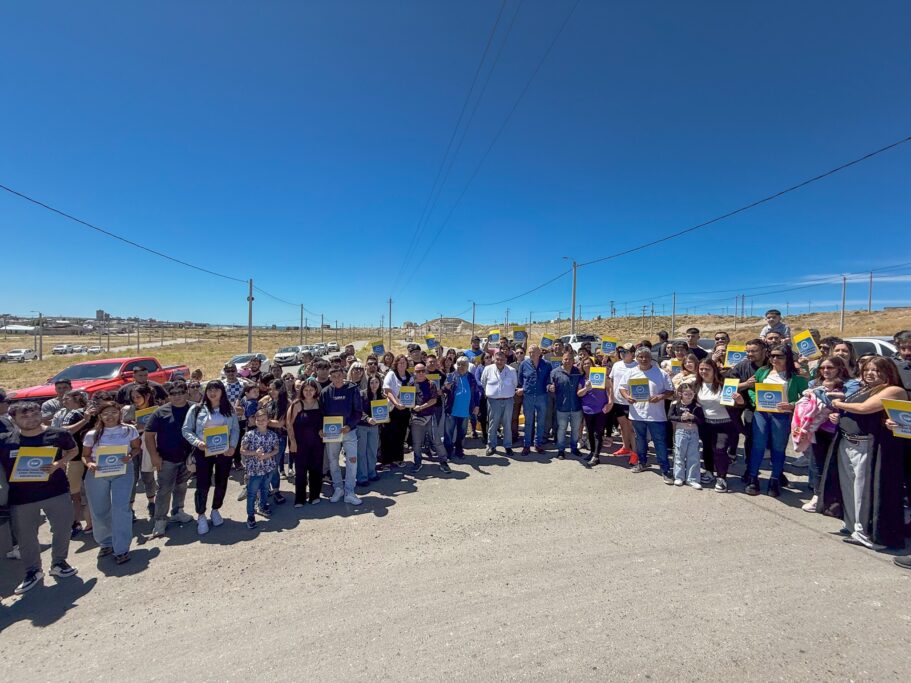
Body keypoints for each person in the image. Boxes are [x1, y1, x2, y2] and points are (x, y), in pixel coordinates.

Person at [819, 357, 908, 549]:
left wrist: (839, 405)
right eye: (867, 369)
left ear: (888, 371)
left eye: (875, 370)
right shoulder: (865, 388)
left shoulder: (893, 390)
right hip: (846, 442)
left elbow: (864, 408)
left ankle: (866, 531)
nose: (869, 373)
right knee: (848, 488)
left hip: (868, 445)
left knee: (862, 490)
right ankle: (853, 526)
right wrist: (839, 415)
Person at [0, 402, 79, 594]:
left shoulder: (58, 434)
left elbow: (73, 450)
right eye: (24, 416)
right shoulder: (4, 440)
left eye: (35, 414)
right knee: (26, 538)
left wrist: (59, 463)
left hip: (56, 491)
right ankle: (33, 571)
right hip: (21, 499)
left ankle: (59, 563)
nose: (31, 419)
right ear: (14, 419)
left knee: (62, 529)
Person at [82, 401, 141, 564]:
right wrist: (90, 464)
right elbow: (85, 455)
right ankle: (106, 542)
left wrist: (130, 456)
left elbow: (137, 448)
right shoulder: (92, 434)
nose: (110, 416)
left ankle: (121, 548)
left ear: (119, 413)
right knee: (99, 511)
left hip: (122, 471)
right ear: (100, 416)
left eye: (114, 412)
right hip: (98, 473)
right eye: (106, 413)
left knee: (121, 508)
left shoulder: (129, 430)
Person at [745, 344, 808, 497]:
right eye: (772, 355)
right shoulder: (763, 371)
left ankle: (775, 479)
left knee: (778, 448)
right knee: (758, 446)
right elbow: (752, 388)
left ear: (787, 358)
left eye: (779, 356)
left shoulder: (796, 376)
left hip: (782, 415)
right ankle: (753, 478)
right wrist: (755, 401)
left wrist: (792, 405)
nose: (774, 359)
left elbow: (806, 396)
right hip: (762, 414)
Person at [182, 380, 240, 535]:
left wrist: (233, 447)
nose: (212, 393)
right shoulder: (196, 409)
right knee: (203, 483)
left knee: (222, 481)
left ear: (222, 392)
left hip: (224, 451)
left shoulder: (229, 410)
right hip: (203, 451)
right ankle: (201, 515)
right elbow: (186, 430)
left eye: (216, 390)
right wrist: (197, 442)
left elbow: (235, 429)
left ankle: (215, 509)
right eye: (209, 390)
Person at [800, 356, 854, 513]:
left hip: (839, 432)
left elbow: (853, 403)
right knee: (817, 465)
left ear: (839, 368)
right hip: (817, 430)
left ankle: (837, 499)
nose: (825, 371)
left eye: (830, 368)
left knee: (838, 466)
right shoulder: (813, 384)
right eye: (822, 368)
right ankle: (818, 497)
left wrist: (839, 413)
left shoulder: (849, 385)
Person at [145, 382, 194, 538]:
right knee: (164, 490)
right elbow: (149, 435)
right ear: (169, 395)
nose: (177, 396)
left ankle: (178, 511)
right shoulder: (160, 412)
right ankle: (160, 519)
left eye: (180, 392)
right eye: (173, 393)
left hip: (188, 458)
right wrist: (154, 456)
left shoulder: (195, 409)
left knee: (181, 486)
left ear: (187, 393)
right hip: (166, 459)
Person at [620, 347, 675, 482]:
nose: (644, 359)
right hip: (637, 414)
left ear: (651, 358)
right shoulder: (631, 372)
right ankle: (642, 462)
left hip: (656, 416)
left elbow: (670, 391)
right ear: (636, 358)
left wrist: (660, 397)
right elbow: (622, 388)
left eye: (646, 357)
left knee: (659, 442)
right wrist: (627, 397)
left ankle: (665, 469)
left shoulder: (661, 373)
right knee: (640, 439)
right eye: (641, 357)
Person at [693, 359, 742, 492]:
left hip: (725, 424)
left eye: (707, 369)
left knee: (720, 450)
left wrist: (739, 401)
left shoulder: (725, 384)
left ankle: (722, 478)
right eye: (701, 369)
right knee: (707, 449)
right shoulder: (696, 385)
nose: (703, 372)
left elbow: (736, 405)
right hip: (706, 424)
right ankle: (709, 471)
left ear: (714, 370)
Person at [53, 390, 95, 536]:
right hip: (84, 457)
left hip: (79, 458)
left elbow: (66, 431)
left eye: (67, 398)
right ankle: (77, 522)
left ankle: (84, 523)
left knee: (76, 494)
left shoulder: (74, 413)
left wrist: (85, 420)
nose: (63, 400)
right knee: (76, 493)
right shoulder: (79, 413)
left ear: (77, 399)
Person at [320, 366, 363, 505]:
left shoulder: (352, 389)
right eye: (334, 376)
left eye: (339, 376)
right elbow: (321, 413)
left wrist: (349, 425)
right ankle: (338, 488)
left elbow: (358, 411)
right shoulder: (325, 392)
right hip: (332, 433)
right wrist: (321, 429)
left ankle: (350, 491)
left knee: (352, 461)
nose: (337, 379)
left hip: (349, 432)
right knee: (333, 461)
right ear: (330, 377)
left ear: (344, 375)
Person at [122, 384, 158, 520]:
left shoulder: (155, 410)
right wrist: (130, 427)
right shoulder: (127, 411)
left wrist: (143, 426)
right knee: (132, 478)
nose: (135, 400)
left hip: (149, 446)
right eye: (133, 397)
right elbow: (120, 427)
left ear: (147, 396)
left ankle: (151, 502)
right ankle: (130, 508)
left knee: (148, 476)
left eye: (138, 397)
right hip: (132, 448)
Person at [287, 379, 325, 506]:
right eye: (306, 389)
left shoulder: (320, 403)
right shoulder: (297, 404)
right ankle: (300, 498)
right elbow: (289, 424)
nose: (308, 392)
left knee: (316, 469)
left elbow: (324, 421)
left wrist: (322, 430)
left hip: (317, 443)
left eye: (311, 389)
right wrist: (292, 442)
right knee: (301, 471)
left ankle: (315, 495)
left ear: (316, 391)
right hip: (300, 443)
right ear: (302, 390)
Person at [240, 409, 279, 528]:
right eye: (258, 420)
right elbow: (242, 450)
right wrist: (254, 453)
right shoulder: (249, 435)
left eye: (264, 420)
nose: (261, 422)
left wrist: (267, 455)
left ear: (268, 421)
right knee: (252, 493)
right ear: (255, 421)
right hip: (254, 469)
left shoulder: (273, 435)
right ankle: (250, 515)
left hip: (268, 468)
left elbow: (276, 449)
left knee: (265, 489)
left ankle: (262, 506)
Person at [408, 363, 448, 473]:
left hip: (430, 417)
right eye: (418, 371)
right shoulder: (411, 385)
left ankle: (443, 461)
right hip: (416, 418)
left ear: (425, 372)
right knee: (416, 442)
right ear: (414, 373)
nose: (420, 373)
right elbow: (407, 400)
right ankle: (417, 462)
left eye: (422, 371)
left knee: (436, 440)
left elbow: (434, 400)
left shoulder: (431, 384)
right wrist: (413, 406)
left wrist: (421, 407)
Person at [480, 350, 518, 456]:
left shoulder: (511, 370)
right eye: (497, 359)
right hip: (493, 401)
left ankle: (508, 446)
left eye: (502, 359)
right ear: (493, 359)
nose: (499, 361)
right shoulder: (488, 369)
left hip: (508, 401)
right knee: (493, 424)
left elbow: (514, 384)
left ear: (506, 360)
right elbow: (483, 383)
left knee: (507, 424)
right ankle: (491, 446)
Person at [577, 357, 613, 467]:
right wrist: (586, 388)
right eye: (584, 364)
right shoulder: (582, 379)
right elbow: (579, 393)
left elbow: (609, 388)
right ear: (582, 366)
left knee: (598, 433)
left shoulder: (600, 374)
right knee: (590, 433)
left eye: (589, 363)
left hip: (600, 408)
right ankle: (592, 452)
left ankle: (596, 456)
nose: (586, 365)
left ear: (593, 364)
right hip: (587, 409)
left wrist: (610, 402)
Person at [548, 349, 584, 460]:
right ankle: (561, 450)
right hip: (562, 407)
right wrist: (550, 387)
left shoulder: (578, 372)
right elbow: (548, 384)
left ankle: (574, 448)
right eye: (565, 359)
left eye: (570, 359)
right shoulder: (555, 372)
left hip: (576, 407)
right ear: (562, 360)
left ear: (574, 360)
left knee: (575, 429)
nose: (567, 361)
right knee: (562, 429)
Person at [443, 356, 480, 459]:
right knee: (449, 433)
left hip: (465, 410)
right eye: (459, 364)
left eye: (463, 364)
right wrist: (446, 387)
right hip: (452, 410)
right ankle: (448, 451)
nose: (461, 366)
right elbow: (444, 390)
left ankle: (459, 450)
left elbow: (476, 392)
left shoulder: (471, 377)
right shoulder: (451, 376)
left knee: (462, 432)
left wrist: (476, 405)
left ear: (468, 366)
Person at [668, 384, 705, 488]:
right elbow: (670, 417)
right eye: (686, 394)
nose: (689, 396)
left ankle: (692, 479)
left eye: (691, 394)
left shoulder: (697, 406)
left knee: (693, 456)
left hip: (693, 432)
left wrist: (693, 417)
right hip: (681, 431)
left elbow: (702, 420)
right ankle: (679, 477)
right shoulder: (676, 404)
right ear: (680, 394)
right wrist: (681, 418)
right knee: (679, 454)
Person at [517, 344, 552, 455]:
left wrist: (549, 386)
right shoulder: (523, 364)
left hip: (542, 396)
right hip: (528, 396)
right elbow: (520, 379)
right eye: (530, 352)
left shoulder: (547, 365)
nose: (532, 354)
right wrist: (526, 388)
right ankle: (527, 445)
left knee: (541, 422)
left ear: (539, 353)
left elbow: (549, 379)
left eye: (534, 352)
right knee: (528, 422)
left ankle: (538, 444)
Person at [381, 355, 411, 469]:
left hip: (404, 410)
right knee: (388, 435)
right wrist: (396, 403)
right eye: (400, 362)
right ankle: (386, 461)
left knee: (400, 435)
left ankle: (398, 459)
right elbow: (387, 391)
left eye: (404, 362)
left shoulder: (409, 376)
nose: (402, 364)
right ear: (396, 364)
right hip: (392, 409)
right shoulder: (391, 374)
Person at [609, 346, 638, 459]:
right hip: (618, 401)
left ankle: (635, 453)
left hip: (632, 402)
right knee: (622, 427)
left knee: (631, 429)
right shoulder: (616, 365)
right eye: (621, 351)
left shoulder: (637, 366)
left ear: (632, 353)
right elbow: (611, 380)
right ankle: (625, 447)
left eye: (625, 351)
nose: (622, 353)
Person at [263, 379, 288, 505]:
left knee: (273, 465)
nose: (271, 391)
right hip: (266, 437)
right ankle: (267, 488)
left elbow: (280, 423)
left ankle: (276, 490)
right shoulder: (269, 402)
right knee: (266, 464)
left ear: (280, 389)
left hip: (279, 438)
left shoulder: (286, 404)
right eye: (270, 389)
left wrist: (262, 421)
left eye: (274, 389)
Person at [356, 375, 383, 485]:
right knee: (361, 452)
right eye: (372, 382)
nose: (374, 385)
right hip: (362, 426)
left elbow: (383, 410)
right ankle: (362, 477)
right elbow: (358, 410)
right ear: (368, 383)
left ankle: (372, 473)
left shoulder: (381, 395)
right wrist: (367, 418)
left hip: (374, 427)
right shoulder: (362, 394)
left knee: (372, 450)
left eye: (376, 382)